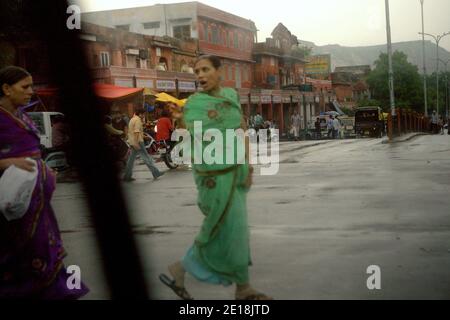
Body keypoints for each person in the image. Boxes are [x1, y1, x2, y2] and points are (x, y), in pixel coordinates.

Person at [159, 55, 272, 300]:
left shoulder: (231, 96)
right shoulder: (194, 104)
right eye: (197, 71)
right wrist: (182, 119)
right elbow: (193, 138)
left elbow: (240, 129)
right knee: (219, 227)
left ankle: (242, 287)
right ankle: (183, 269)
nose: (200, 75)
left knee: (237, 230)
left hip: (236, 174)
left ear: (219, 71)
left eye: (205, 69)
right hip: (213, 178)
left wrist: (249, 167)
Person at [0, 66, 89, 299]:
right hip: (12, 209)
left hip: (38, 207)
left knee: (46, 256)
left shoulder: (23, 115)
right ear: (6, 89)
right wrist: (6, 163)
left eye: (31, 85)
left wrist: (46, 171)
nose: (31, 91)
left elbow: (33, 153)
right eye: (25, 87)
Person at [123, 108, 164, 182]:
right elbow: (136, 132)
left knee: (131, 160)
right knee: (146, 157)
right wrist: (136, 143)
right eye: (143, 114)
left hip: (132, 141)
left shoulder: (132, 119)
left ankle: (127, 176)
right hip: (138, 142)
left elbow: (133, 131)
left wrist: (144, 137)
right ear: (140, 114)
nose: (144, 116)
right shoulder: (138, 120)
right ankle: (156, 173)